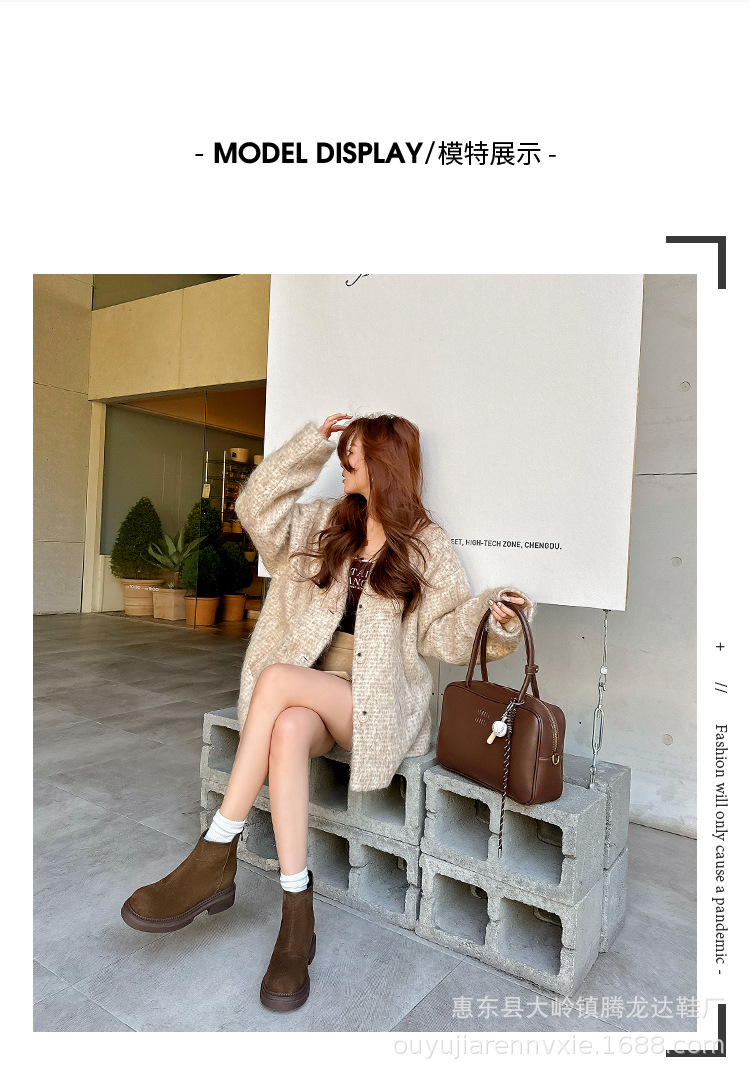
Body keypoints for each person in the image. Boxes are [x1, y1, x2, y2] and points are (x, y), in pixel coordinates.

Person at [121, 411, 535, 1012]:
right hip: (309, 693)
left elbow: (445, 634)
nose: (343, 461)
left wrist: (495, 618)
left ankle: (216, 849)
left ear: (384, 462)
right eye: (341, 452)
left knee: (275, 680)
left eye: (353, 452)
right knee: (288, 728)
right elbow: (254, 506)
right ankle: (297, 913)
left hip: (372, 704)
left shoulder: (426, 546)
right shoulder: (323, 523)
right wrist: (310, 445)